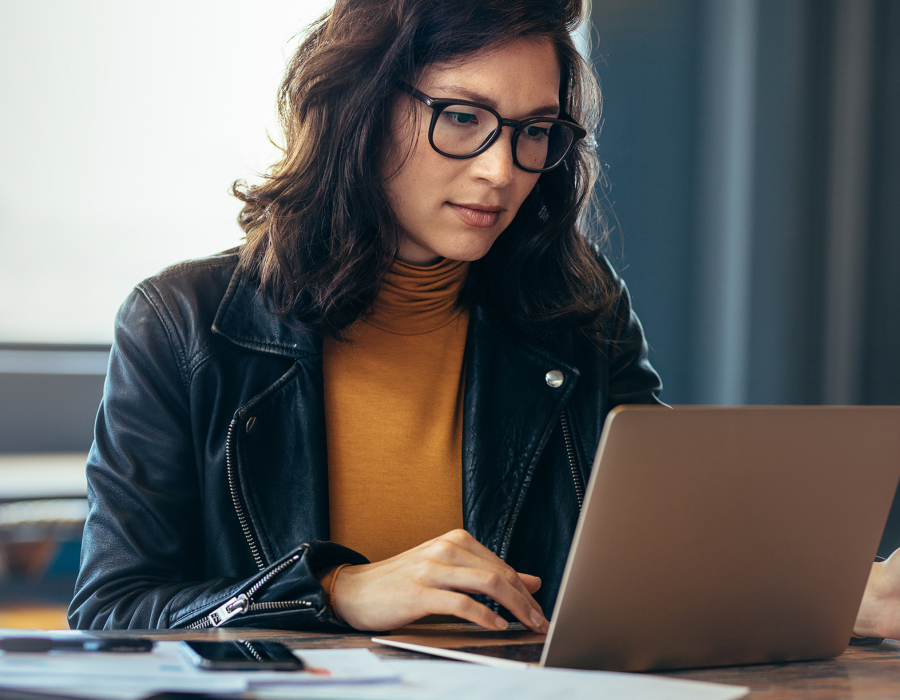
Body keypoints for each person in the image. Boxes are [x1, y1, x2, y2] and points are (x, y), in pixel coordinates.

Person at [68, 0, 900, 640]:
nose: (502, 170)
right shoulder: (184, 324)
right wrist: (333, 593)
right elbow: (111, 613)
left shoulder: (577, 310)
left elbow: (660, 562)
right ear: (361, 108)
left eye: (534, 131)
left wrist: (824, 595)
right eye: (463, 118)